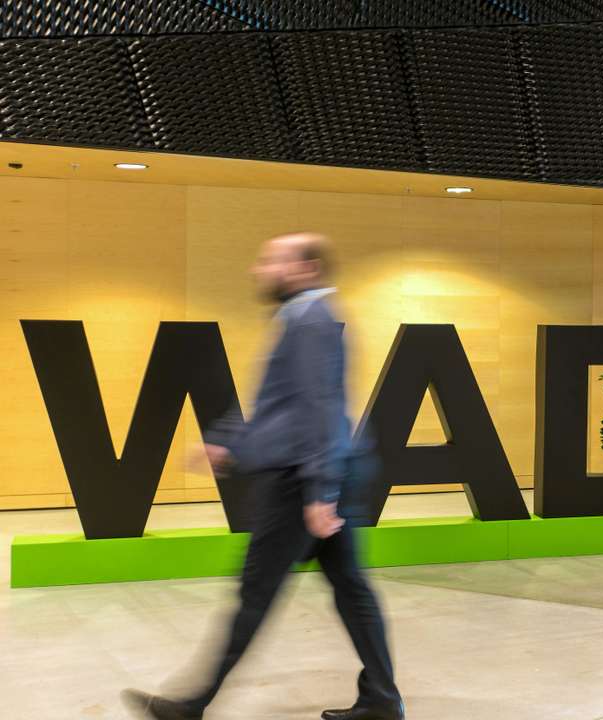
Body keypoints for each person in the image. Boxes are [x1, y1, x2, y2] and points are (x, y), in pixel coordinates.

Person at [123, 233, 404, 720]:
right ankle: (382, 698)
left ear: (306, 268)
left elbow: (320, 408)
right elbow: (279, 400)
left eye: (272, 260)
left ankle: (191, 704)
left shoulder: (310, 320)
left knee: (255, 593)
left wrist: (320, 491)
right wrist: (228, 439)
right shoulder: (300, 317)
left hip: (300, 482)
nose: (259, 269)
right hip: (315, 473)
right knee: (351, 590)